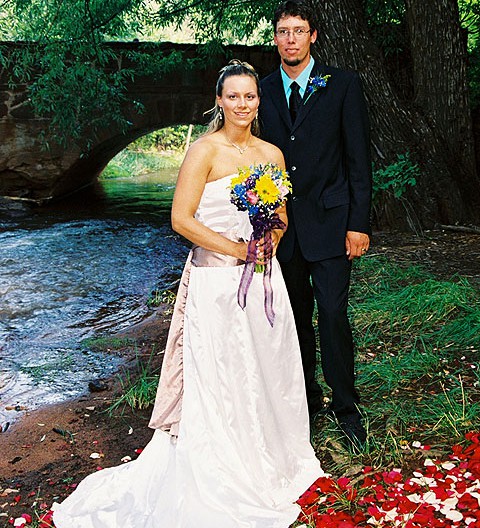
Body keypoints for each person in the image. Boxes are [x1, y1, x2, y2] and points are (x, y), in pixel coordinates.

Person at [52, 60, 323, 528]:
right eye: (233, 96)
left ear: (260, 100)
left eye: (250, 96)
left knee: (266, 366)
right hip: (217, 282)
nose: (242, 104)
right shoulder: (205, 151)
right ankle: (224, 464)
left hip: (264, 281)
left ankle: (272, 456)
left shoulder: (272, 155)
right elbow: (181, 219)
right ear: (219, 101)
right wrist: (238, 250)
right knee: (221, 373)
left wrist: (269, 244)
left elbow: (279, 216)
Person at [258, 0, 372, 449]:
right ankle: (306, 403)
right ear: (275, 38)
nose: (291, 38)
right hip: (282, 229)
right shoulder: (261, 89)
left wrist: (358, 223)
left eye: (298, 30)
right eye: (283, 30)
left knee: (333, 317)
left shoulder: (342, 85)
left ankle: (347, 408)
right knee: (294, 322)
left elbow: (358, 159)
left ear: (313, 36)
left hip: (331, 224)